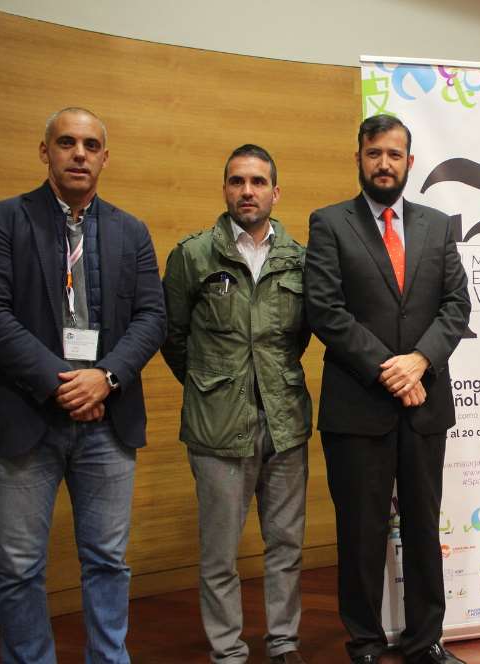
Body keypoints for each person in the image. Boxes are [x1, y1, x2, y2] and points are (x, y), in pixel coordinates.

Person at [0, 107, 166, 663]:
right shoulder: (1, 220)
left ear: (105, 155)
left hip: (107, 421)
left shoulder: (131, 230)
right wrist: (63, 384)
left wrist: (103, 378)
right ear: (45, 151)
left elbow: (153, 317)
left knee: (107, 560)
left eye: (91, 144)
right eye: (67, 143)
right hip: (23, 419)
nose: (79, 153)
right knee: (20, 566)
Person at [304, 115, 470, 664]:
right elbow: (325, 311)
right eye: (374, 153)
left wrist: (419, 362)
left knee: (423, 527)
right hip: (358, 406)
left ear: (409, 162)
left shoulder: (438, 225)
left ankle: (426, 641)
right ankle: (366, 643)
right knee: (361, 533)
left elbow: (456, 307)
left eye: (394, 155)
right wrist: (389, 369)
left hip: (425, 405)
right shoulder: (329, 223)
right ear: (358, 157)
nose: (384, 164)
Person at [161, 144, 312, 664]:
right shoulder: (193, 255)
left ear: (275, 191)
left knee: (286, 544)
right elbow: (173, 339)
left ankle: (284, 642)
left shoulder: (300, 258)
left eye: (257, 182)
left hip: (285, 422)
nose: (247, 191)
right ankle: (228, 650)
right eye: (237, 181)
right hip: (217, 427)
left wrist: (267, 380)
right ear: (225, 188)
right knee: (220, 553)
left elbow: (300, 338)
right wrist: (213, 387)